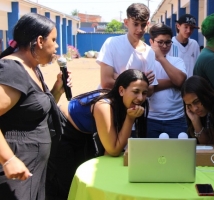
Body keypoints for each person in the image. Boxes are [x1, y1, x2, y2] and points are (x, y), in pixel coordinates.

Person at [46, 69, 149, 199]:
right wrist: (130, 118)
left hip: (82, 134)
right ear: (121, 91)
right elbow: (113, 149)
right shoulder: (104, 105)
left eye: (144, 93)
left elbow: (110, 151)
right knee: (66, 184)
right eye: (136, 92)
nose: (140, 98)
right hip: (61, 130)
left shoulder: (124, 104)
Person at [0, 13, 69, 199]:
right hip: (16, 172)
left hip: (33, 169)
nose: (56, 46)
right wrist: (8, 160)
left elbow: (32, 110)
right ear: (39, 41)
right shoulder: (13, 70)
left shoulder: (33, 67)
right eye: (53, 40)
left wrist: (56, 91)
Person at [97, 3, 157, 91]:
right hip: (110, 102)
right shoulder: (112, 43)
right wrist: (141, 82)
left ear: (148, 24)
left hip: (136, 104)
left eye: (143, 25)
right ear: (126, 22)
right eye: (135, 24)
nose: (140, 29)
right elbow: (107, 82)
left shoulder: (149, 52)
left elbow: (150, 90)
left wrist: (118, 77)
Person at [146, 23, 188, 138]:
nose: (164, 46)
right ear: (151, 42)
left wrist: (160, 58)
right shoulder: (145, 62)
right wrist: (172, 82)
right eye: (160, 42)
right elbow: (147, 89)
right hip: (151, 119)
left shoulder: (177, 61)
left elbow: (179, 81)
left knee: (178, 154)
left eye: (168, 42)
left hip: (176, 119)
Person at [168, 14, 200, 78]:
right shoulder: (169, 43)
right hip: (174, 85)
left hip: (191, 85)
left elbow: (198, 66)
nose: (188, 31)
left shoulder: (194, 44)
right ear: (178, 26)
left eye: (191, 28)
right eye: (186, 27)